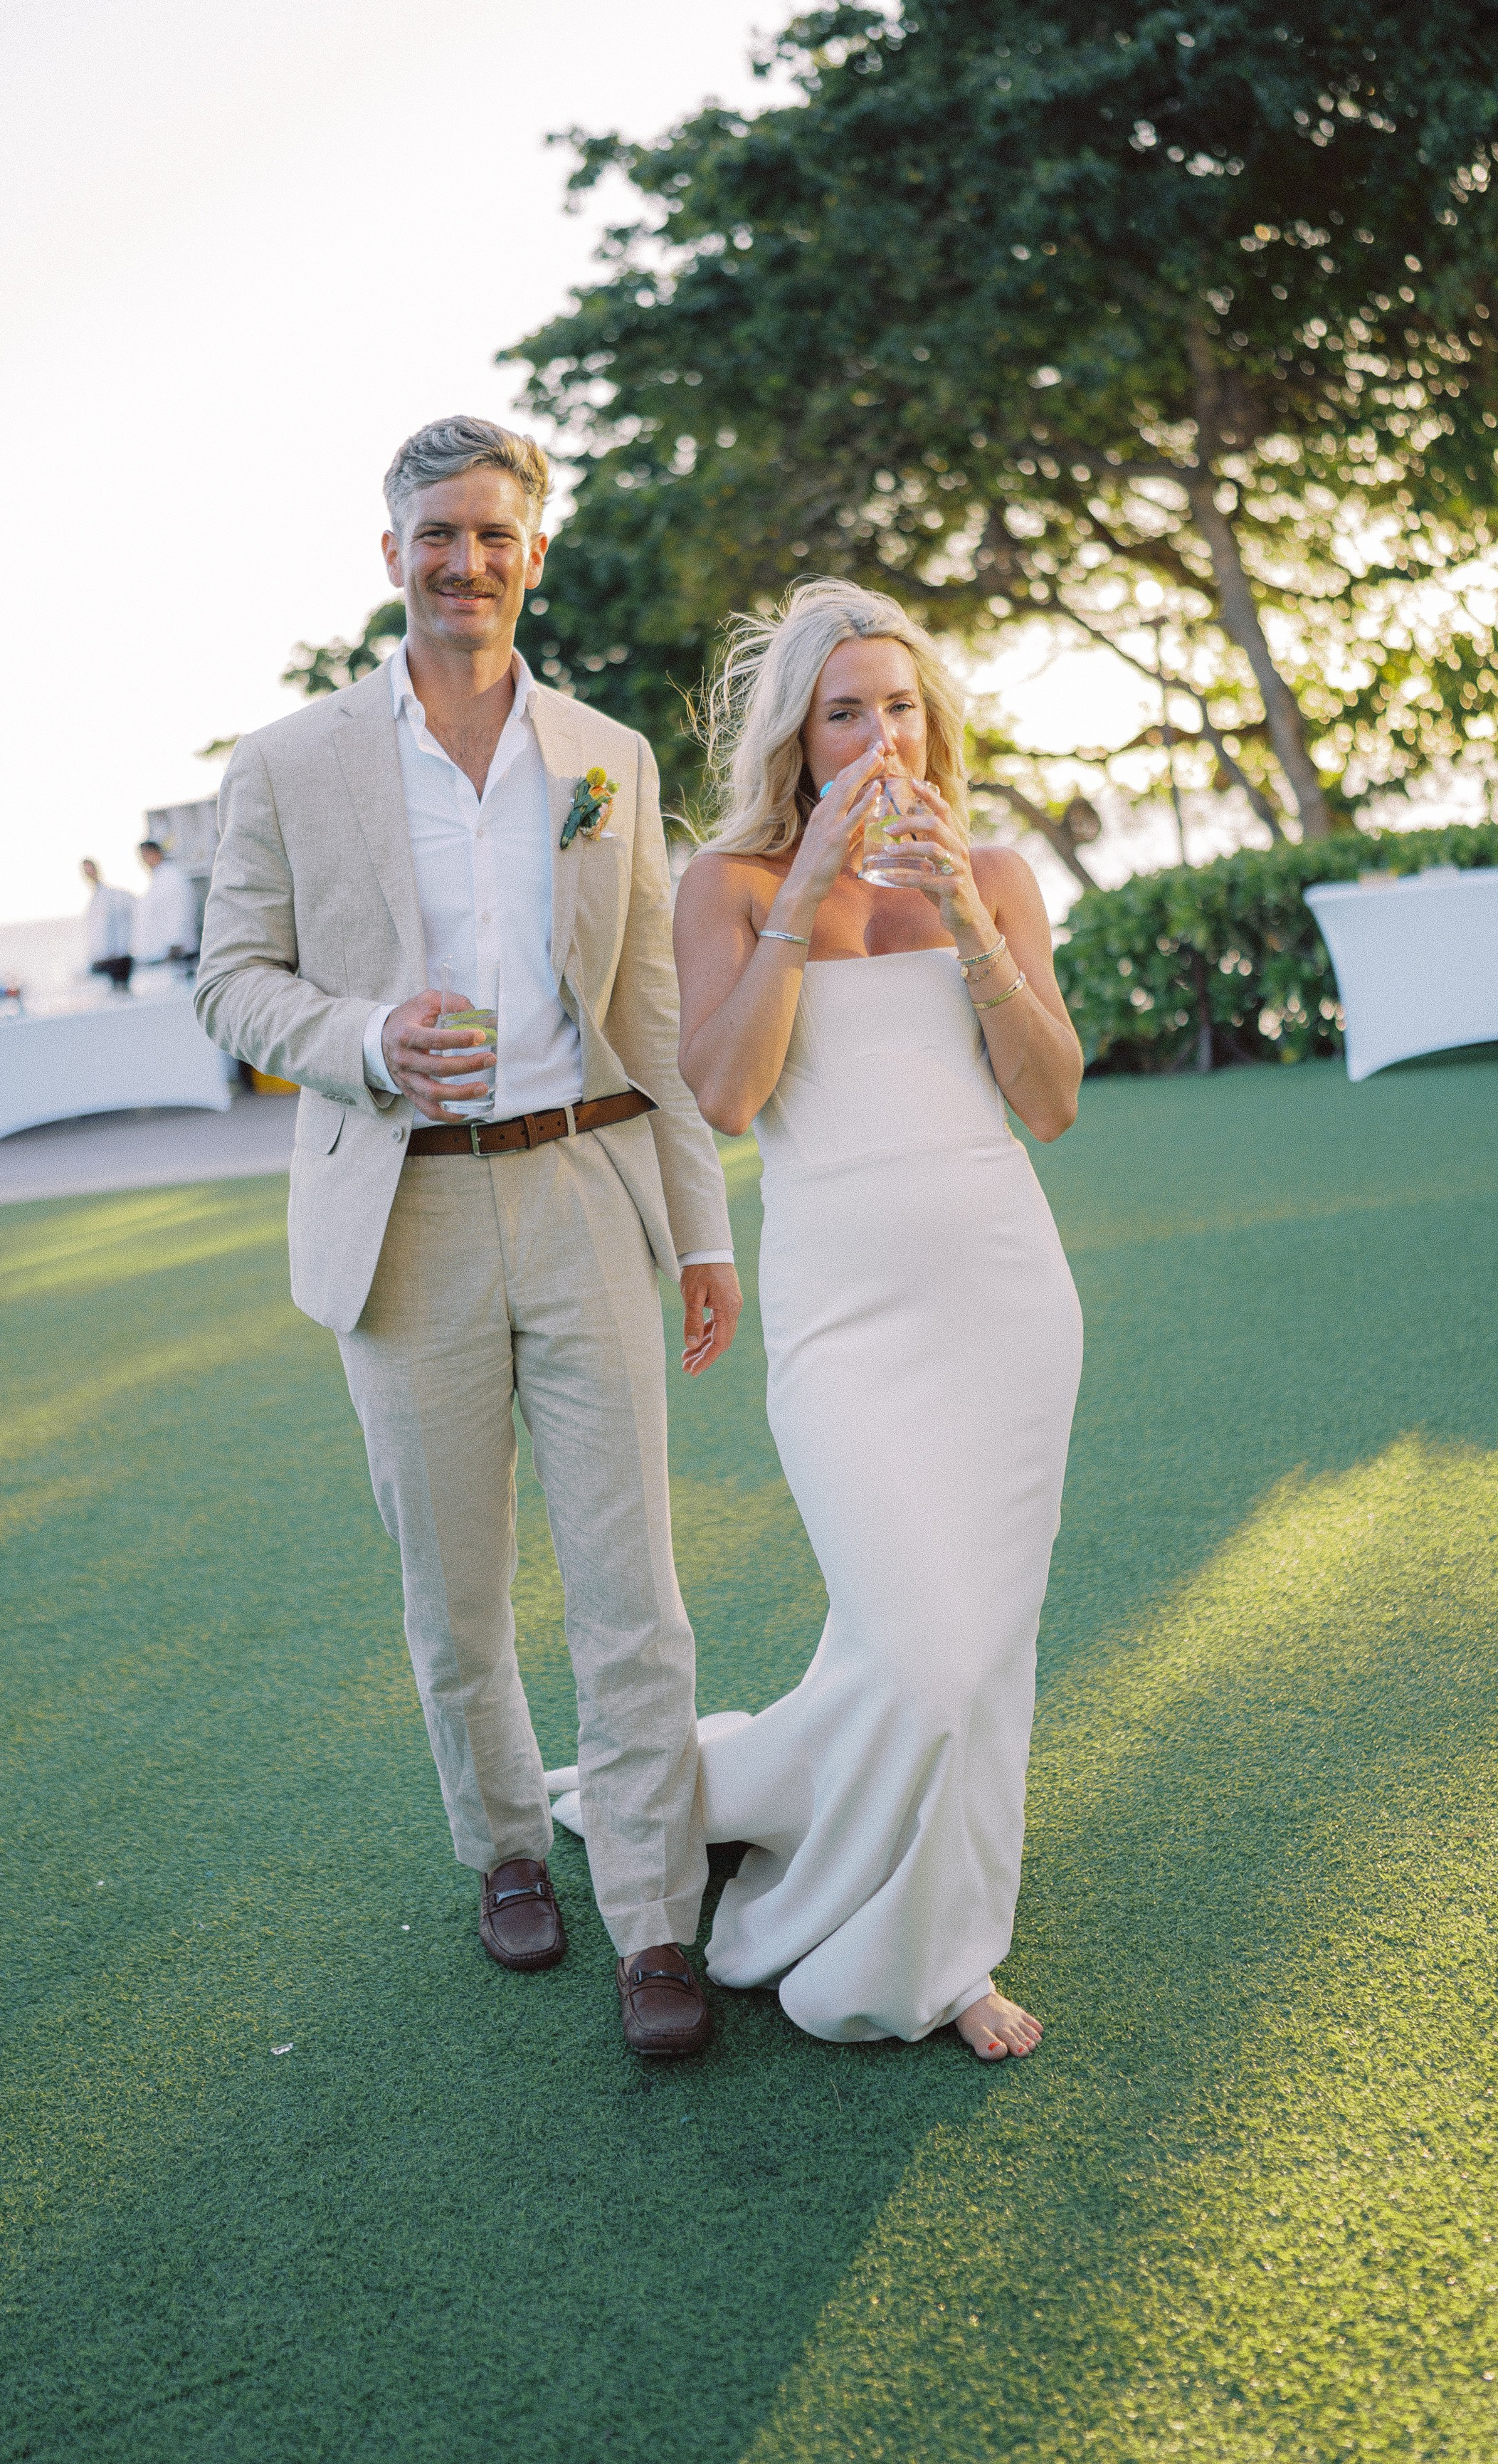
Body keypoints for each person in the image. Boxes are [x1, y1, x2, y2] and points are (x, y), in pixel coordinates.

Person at [194, 415, 741, 2060]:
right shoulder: (286, 763)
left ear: (532, 551)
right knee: (456, 1591)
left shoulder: (609, 758)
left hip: (586, 1190)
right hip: (403, 1210)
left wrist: (700, 1226)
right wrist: (363, 1036)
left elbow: (649, 1008)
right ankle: (508, 1844)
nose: (464, 559)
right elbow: (229, 980)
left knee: (633, 1588)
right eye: (435, 533)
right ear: (391, 555)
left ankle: (651, 1915)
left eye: (494, 533)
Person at [549, 578, 1085, 2060]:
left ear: (931, 718)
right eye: (844, 710)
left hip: (1004, 1303)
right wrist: (801, 898)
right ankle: (721, 1801)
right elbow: (721, 1093)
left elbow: (1048, 1100)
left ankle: (940, 1950)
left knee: (975, 1653)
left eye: (898, 705)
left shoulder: (995, 871)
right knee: (915, 1649)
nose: (877, 734)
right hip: (845, 1314)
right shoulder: (722, 882)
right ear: (797, 732)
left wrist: (967, 913)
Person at [131, 838, 201, 969]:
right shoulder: (158, 878)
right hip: (160, 957)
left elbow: (180, 911)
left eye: (146, 855)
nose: (144, 860)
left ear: (156, 853)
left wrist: (175, 944)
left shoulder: (172, 877)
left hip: (175, 955)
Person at [81, 856, 135, 990]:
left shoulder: (111, 896)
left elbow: (112, 928)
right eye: (86, 872)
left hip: (117, 959)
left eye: (90, 870)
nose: (89, 874)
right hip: (106, 960)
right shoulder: (95, 899)